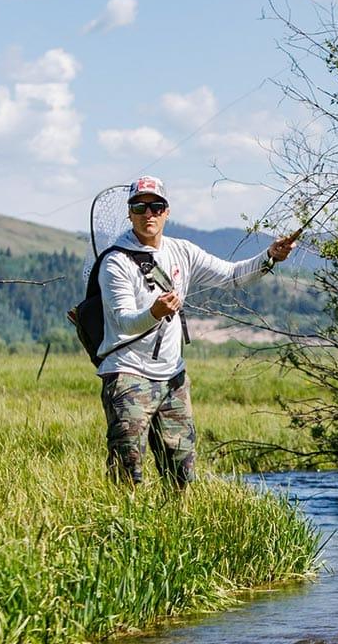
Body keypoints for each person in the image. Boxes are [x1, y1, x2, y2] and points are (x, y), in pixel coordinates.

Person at [96, 175, 296, 488]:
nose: (148, 213)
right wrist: (155, 312)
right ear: (130, 213)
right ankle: (124, 529)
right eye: (139, 207)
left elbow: (231, 276)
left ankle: (176, 528)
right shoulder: (115, 262)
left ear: (166, 211)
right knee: (128, 468)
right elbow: (123, 321)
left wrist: (270, 257)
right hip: (127, 374)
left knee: (182, 473)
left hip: (173, 376)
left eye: (155, 206)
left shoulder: (183, 251)